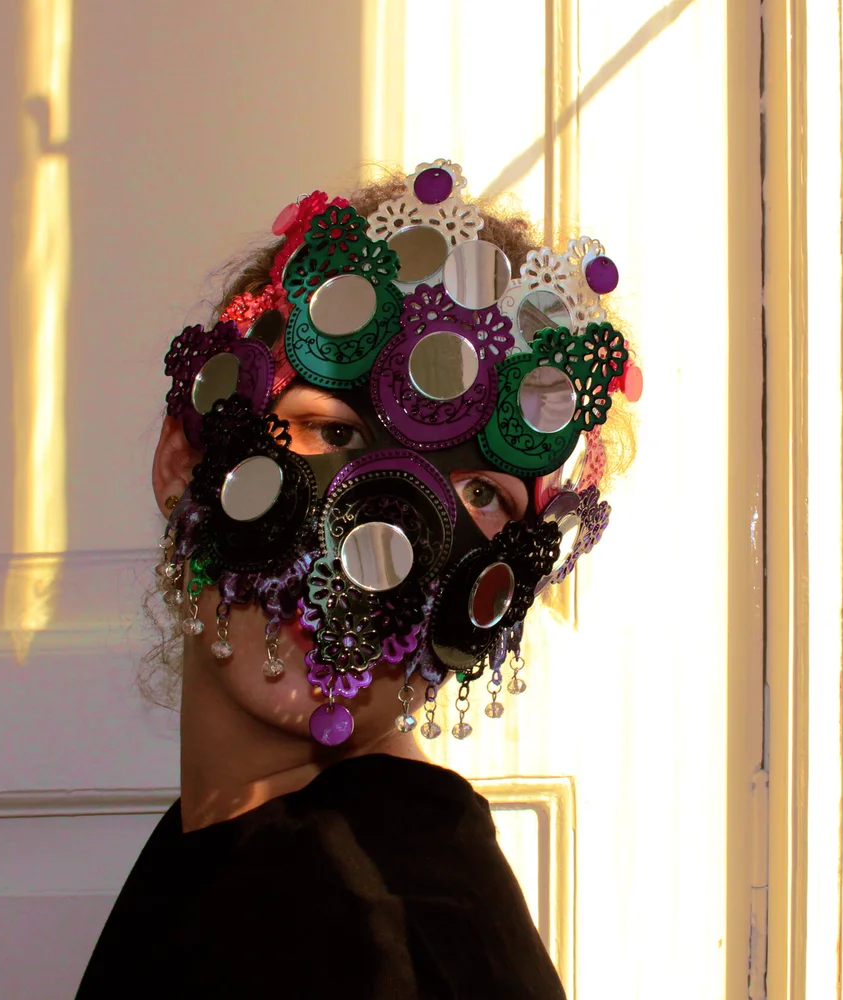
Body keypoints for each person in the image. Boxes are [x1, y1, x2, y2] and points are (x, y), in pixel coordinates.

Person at [75, 161, 639, 999]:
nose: (383, 548)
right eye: (332, 432)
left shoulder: (386, 917)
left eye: (481, 494)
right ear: (184, 461)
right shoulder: (245, 848)